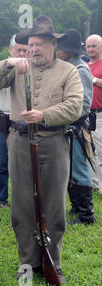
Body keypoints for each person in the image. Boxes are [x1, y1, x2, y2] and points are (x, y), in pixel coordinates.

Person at [0, 15, 83, 283]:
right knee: (22, 207)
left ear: (54, 45)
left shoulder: (68, 71)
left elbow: (75, 106)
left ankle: (54, 261)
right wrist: (8, 62)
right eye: (31, 44)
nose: (34, 48)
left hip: (53, 143)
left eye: (40, 43)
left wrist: (44, 114)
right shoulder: (18, 67)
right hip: (19, 142)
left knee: (54, 207)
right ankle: (28, 262)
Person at [57, 29, 95, 225]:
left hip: (77, 126)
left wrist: (66, 117)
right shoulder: (68, 67)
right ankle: (76, 206)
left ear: (68, 50)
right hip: (67, 125)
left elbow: (84, 103)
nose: (58, 51)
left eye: (61, 48)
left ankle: (86, 214)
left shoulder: (81, 70)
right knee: (70, 168)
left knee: (79, 168)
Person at [0, 35, 29, 209]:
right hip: (2, 117)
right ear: (10, 49)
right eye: (18, 49)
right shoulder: (2, 67)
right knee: (1, 161)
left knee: (21, 161)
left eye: (25, 50)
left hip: (22, 119)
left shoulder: (31, 67)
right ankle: (0, 199)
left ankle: (21, 198)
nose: (22, 53)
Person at [86, 34, 102, 196]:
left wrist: (95, 80)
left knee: (101, 151)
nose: (90, 49)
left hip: (100, 115)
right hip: (86, 115)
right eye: (88, 46)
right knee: (88, 151)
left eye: (94, 46)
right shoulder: (85, 65)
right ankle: (94, 184)